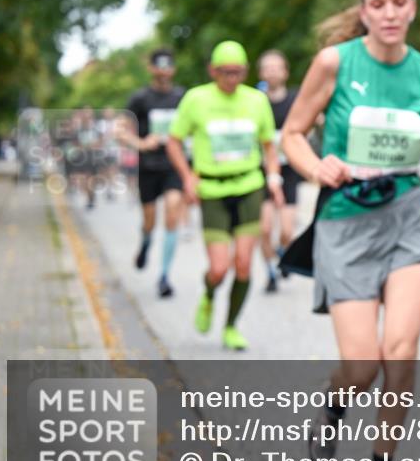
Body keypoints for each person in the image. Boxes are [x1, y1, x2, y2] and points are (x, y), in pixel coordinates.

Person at [282, 0, 420, 461]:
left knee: (402, 352)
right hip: (345, 222)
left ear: (412, 7)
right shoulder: (334, 64)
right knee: (362, 367)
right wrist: (318, 167)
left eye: (398, 3)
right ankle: (334, 403)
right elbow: (291, 133)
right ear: (363, 12)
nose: (389, 14)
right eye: (378, 5)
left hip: (408, 218)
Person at [166, 41, 284, 350]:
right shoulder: (197, 99)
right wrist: (187, 177)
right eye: (226, 73)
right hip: (213, 190)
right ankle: (208, 294)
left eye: (238, 72)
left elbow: (269, 145)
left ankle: (231, 326)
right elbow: (174, 141)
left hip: (248, 187)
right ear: (212, 71)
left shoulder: (257, 100)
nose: (232, 79)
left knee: (244, 264)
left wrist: (273, 178)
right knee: (219, 268)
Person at [121, 49, 187, 298]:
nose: (163, 70)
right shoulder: (140, 99)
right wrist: (141, 143)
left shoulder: (182, 97)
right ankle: (146, 243)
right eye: (158, 65)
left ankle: (164, 276)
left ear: (173, 68)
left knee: (172, 213)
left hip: (173, 165)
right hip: (148, 167)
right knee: (150, 221)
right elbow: (122, 130)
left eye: (168, 65)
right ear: (151, 68)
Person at [256, 49, 302, 293]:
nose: (272, 72)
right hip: (261, 171)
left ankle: (284, 255)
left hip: (289, 170)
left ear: (285, 72)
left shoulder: (296, 99)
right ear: (261, 72)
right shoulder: (255, 100)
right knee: (264, 229)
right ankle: (270, 273)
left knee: (286, 230)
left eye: (277, 67)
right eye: (268, 67)